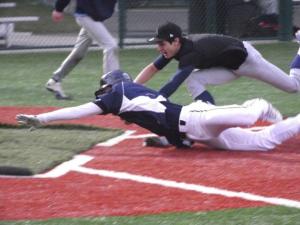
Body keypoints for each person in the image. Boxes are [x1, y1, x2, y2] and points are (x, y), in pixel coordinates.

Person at [16, 70, 300, 151]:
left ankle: (258, 103)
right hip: (194, 129)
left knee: (250, 115)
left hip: (195, 117)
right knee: (263, 142)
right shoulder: (131, 100)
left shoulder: (120, 93)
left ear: (113, 85)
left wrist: (42, 118)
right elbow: (160, 121)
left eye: (105, 87)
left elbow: (79, 111)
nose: (103, 92)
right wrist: (165, 141)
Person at [134, 22, 300, 105]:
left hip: (246, 61)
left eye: (161, 43)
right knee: (193, 79)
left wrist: (154, 101)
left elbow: (173, 83)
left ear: (176, 41)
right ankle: (208, 118)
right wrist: (130, 87)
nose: (158, 47)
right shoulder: (176, 47)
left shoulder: (190, 52)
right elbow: (153, 68)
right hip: (226, 66)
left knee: (293, 86)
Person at [45, 0, 120, 100]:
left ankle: (54, 81)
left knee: (79, 53)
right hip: (86, 15)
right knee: (111, 46)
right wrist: (59, 8)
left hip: (95, 16)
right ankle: (109, 87)